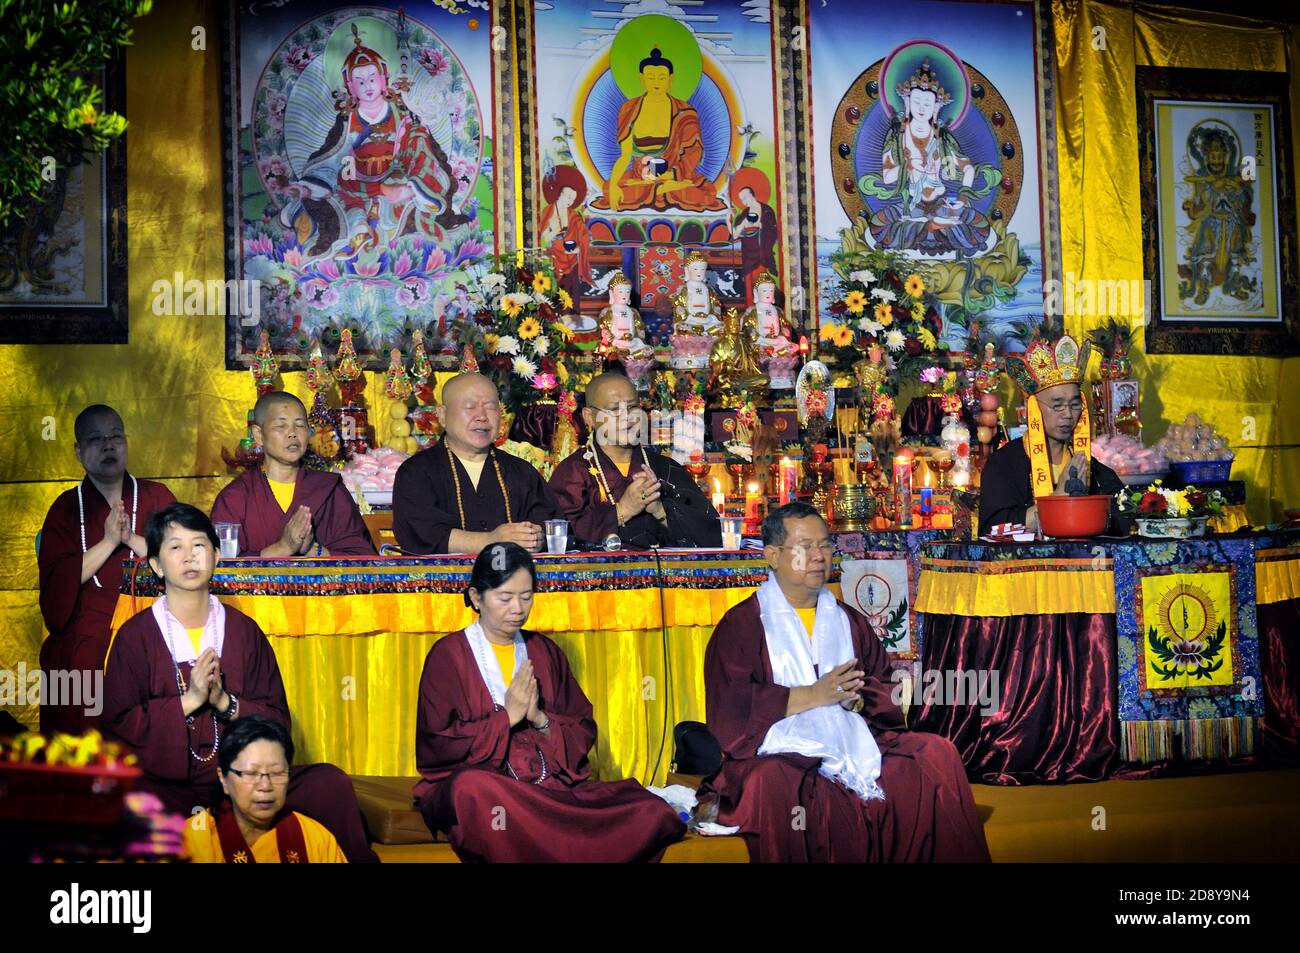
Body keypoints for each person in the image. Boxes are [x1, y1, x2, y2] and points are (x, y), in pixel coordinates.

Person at [700, 502, 990, 862]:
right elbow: (730, 712)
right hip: (782, 753)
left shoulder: (848, 619)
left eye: (824, 545)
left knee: (935, 754)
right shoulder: (742, 625)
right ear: (773, 555)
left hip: (853, 740)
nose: (818, 556)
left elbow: (881, 685)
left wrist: (859, 700)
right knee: (773, 781)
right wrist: (812, 695)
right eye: (804, 547)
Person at [102, 504, 377, 862]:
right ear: (155, 564)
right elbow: (116, 728)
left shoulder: (245, 632)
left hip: (245, 784)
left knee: (328, 784)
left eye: (199, 545)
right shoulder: (135, 637)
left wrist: (224, 703)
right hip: (169, 786)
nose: (189, 557)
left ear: (216, 555)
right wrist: (189, 700)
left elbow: (278, 724)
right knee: (122, 798)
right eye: (175, 547)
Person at [413, 543, 686, 861]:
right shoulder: (448, 657)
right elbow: (438, 744)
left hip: (548, 788)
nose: (517, 608)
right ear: (476, 597)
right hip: (493, 788)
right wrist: (507, 718)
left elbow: (582, 728)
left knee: (648, 808)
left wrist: (540, 718)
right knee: (472, 790)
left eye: (526, 597)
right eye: (505, 598)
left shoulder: (544, 651)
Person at [37, 404, 176, 735]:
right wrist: (109, 541)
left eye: (115, 436)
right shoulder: (66, 509)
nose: (108, 445)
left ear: (126, 442)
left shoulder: (157, 496)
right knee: (74, 663)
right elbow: (56, 592)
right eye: (96, 439)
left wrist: (130, 537)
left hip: (154, 619)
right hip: (91, 628)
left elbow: (182, 558)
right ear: (78, 450)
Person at [392, 373, 561, 555]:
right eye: (469, 406)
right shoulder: (417, 472)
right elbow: (422, 534)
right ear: (442, 415)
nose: (482, 416)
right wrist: (490, 541)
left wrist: (536, 538)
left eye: (490, 407)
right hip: (445, 582)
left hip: (513, 581)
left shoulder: (521, 472)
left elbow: (549, 522)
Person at [549, 373, 721, 548]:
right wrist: (623, 510)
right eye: (614, 409)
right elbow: (558, 536)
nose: (626, 417)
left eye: (632, 407)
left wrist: (660, 510)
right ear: (589, 417)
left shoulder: (665, 468)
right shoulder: (573, 472)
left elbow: (712, 534)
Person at [980, 334, 1129, 534]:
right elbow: (991, 529)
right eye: (1057, 405)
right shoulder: (1004, 465)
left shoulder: (1093, 469)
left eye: (1075, 405)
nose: (1068, 414)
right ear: (1033, 409)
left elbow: (1125, 517)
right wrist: (1058, 500)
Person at [210, 391, 376, 557]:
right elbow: (222, 567)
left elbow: (364, 562)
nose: (292, 433)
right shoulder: (235, 498)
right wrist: (283, 548)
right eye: (281, 426)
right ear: (259, 435)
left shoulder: (328, 490)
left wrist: (312, 549)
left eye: (300, 425)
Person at [184, 715, 347, 863]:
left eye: (277, 773)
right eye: (251, 773)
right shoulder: (189, 841)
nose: (265, 786)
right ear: (223, 778)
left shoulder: (315, 838)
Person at [592, 47, 725, 213]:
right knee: (608, 189)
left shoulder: (684, 111)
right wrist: (613, 186)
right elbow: (625, 156)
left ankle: (662, 189)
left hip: (676, 174)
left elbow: (694, 153)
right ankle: (662, 190)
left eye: (662, 77)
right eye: (650, 77)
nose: (656, 82)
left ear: (670, 79)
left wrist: (671, 176)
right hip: (641, 175)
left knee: (707, 193)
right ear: (642, 79)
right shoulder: (629, 109)